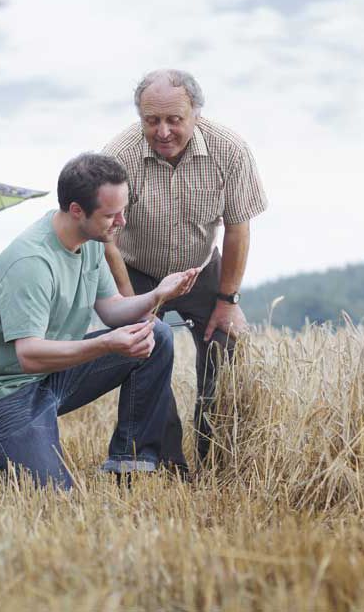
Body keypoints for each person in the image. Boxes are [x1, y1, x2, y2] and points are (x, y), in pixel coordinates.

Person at [0, 153, 201, 490]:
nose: (121, 222)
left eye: (123, 210)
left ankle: (130, 464)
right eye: (111, 214)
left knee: (158, 335)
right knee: (53, 493)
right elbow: (30, 354)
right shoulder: (31, 261)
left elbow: (111, 309)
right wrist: (106, 343)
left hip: (49, 375)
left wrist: (158, 295)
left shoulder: (92, 240)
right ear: (77, 210)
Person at [101, 69, 268, 469]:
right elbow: (105, 237)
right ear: (139, 116)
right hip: (136, 268)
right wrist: (129, 302)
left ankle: (215, 458)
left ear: (195, 112)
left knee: (224, 348)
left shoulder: (230, 150)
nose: (162, 132)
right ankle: (171, 463)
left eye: (174, 119)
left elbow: (238, 226)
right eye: (151, 120)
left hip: (200, 266)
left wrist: (228, 300)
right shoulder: (117, 157)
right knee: (144, 348)